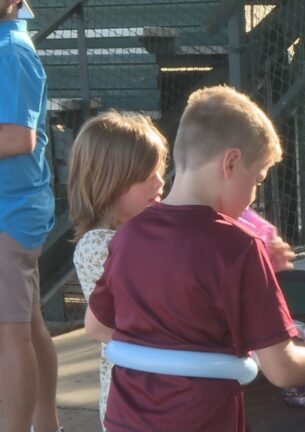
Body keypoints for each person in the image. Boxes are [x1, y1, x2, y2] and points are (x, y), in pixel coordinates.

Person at [83, 86, 305, 432]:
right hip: (202, 419)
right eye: (257, 180)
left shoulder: (128, 237)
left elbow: (97, 325)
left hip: (125, 420)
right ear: (231, 162)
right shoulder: (238, 246)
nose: (253, 195)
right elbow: (283, 368)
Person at [68, 111, 168, 431]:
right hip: (134, 399)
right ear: (111, 182)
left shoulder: (154, 232)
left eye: (159, 170)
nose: (160, 181)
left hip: (169, 389)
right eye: (146, 174)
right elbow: (129, 320)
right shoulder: (99, 244)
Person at [0, 1, 62, 431]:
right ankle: (48, 424)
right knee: (28, 325)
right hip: (14, 208)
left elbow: (18, 137)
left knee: (10, 335)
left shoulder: (10, 51)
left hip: (11, 213)